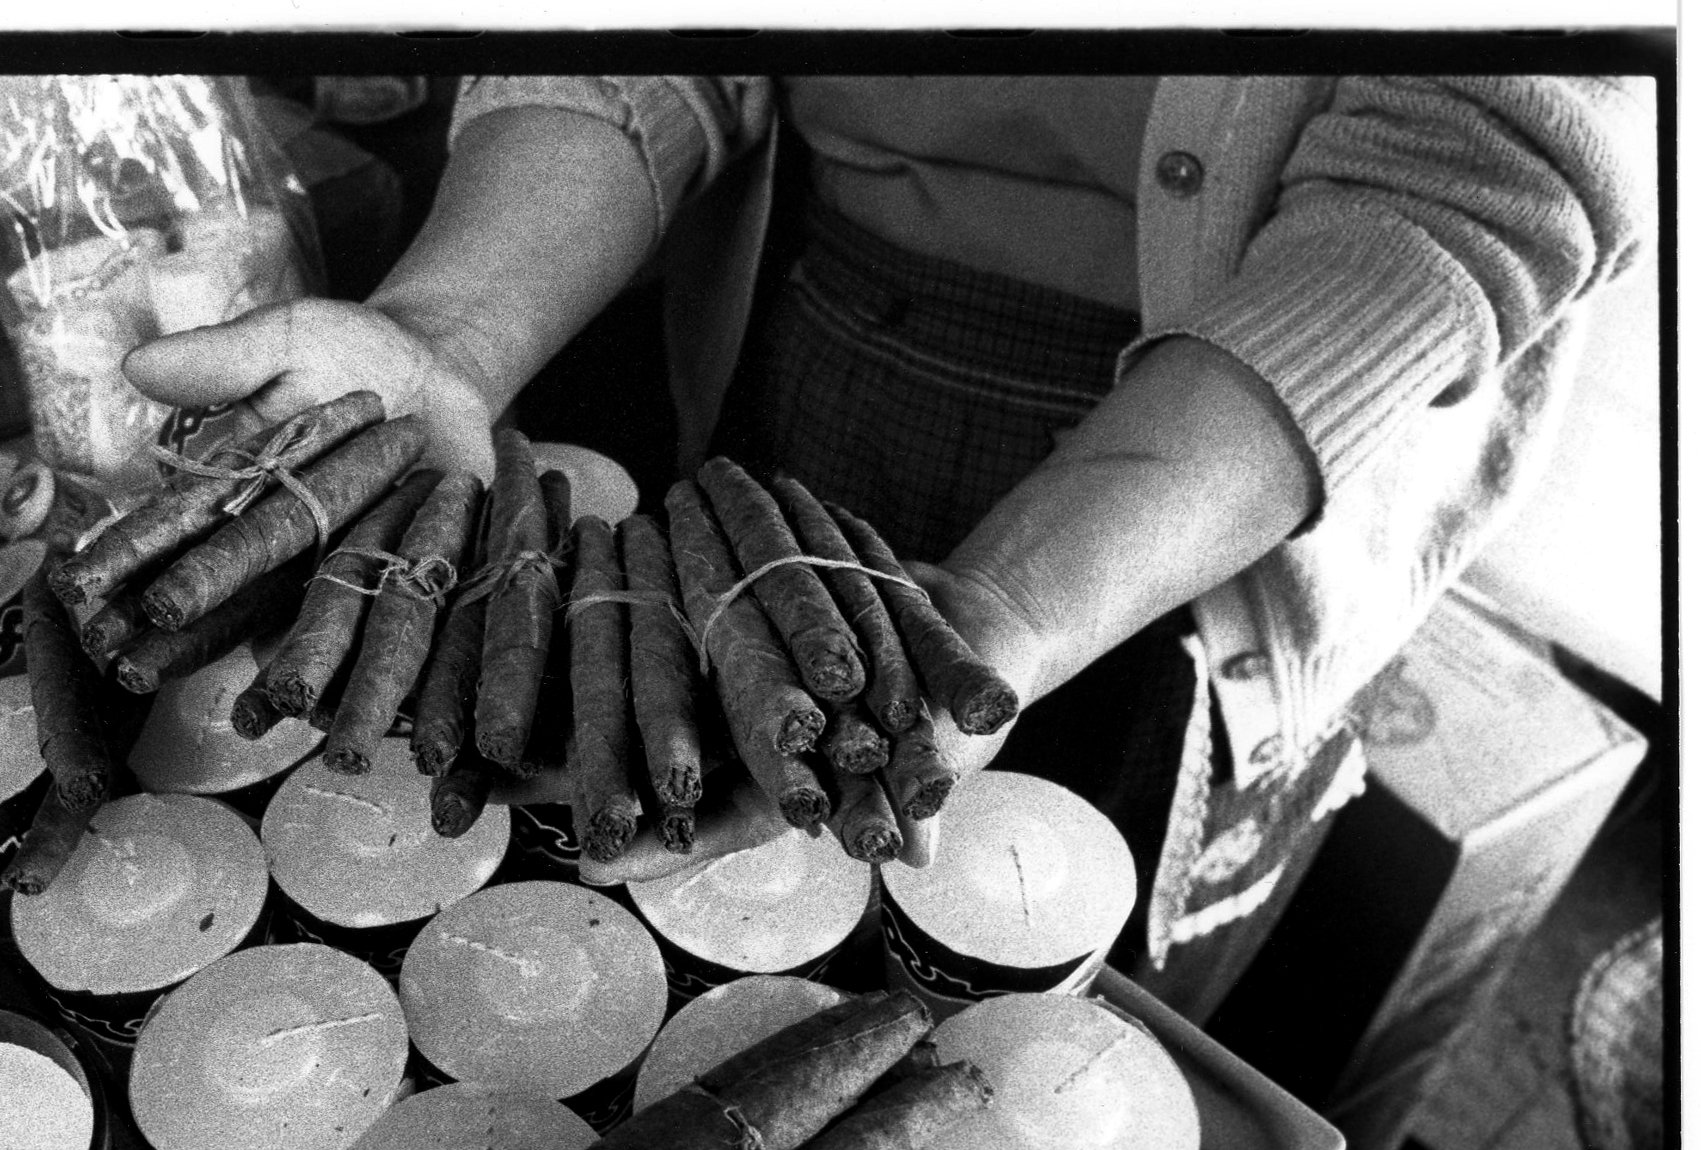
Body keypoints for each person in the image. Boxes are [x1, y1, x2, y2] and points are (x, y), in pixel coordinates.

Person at [123, 74, 1654, 1021]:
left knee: (1020, 995)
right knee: (728, 927)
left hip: (1210, 486)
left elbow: (1465, 181)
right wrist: (448, 337)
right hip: (821, 344)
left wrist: (1005, 607)